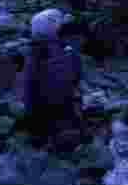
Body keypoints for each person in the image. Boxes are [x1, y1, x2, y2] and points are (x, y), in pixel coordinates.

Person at [18, 8, 84, 150]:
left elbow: (27, 86)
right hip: (57, 107)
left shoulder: (34, 53)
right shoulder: (66, 51)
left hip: (47, 109)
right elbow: (76, 77)